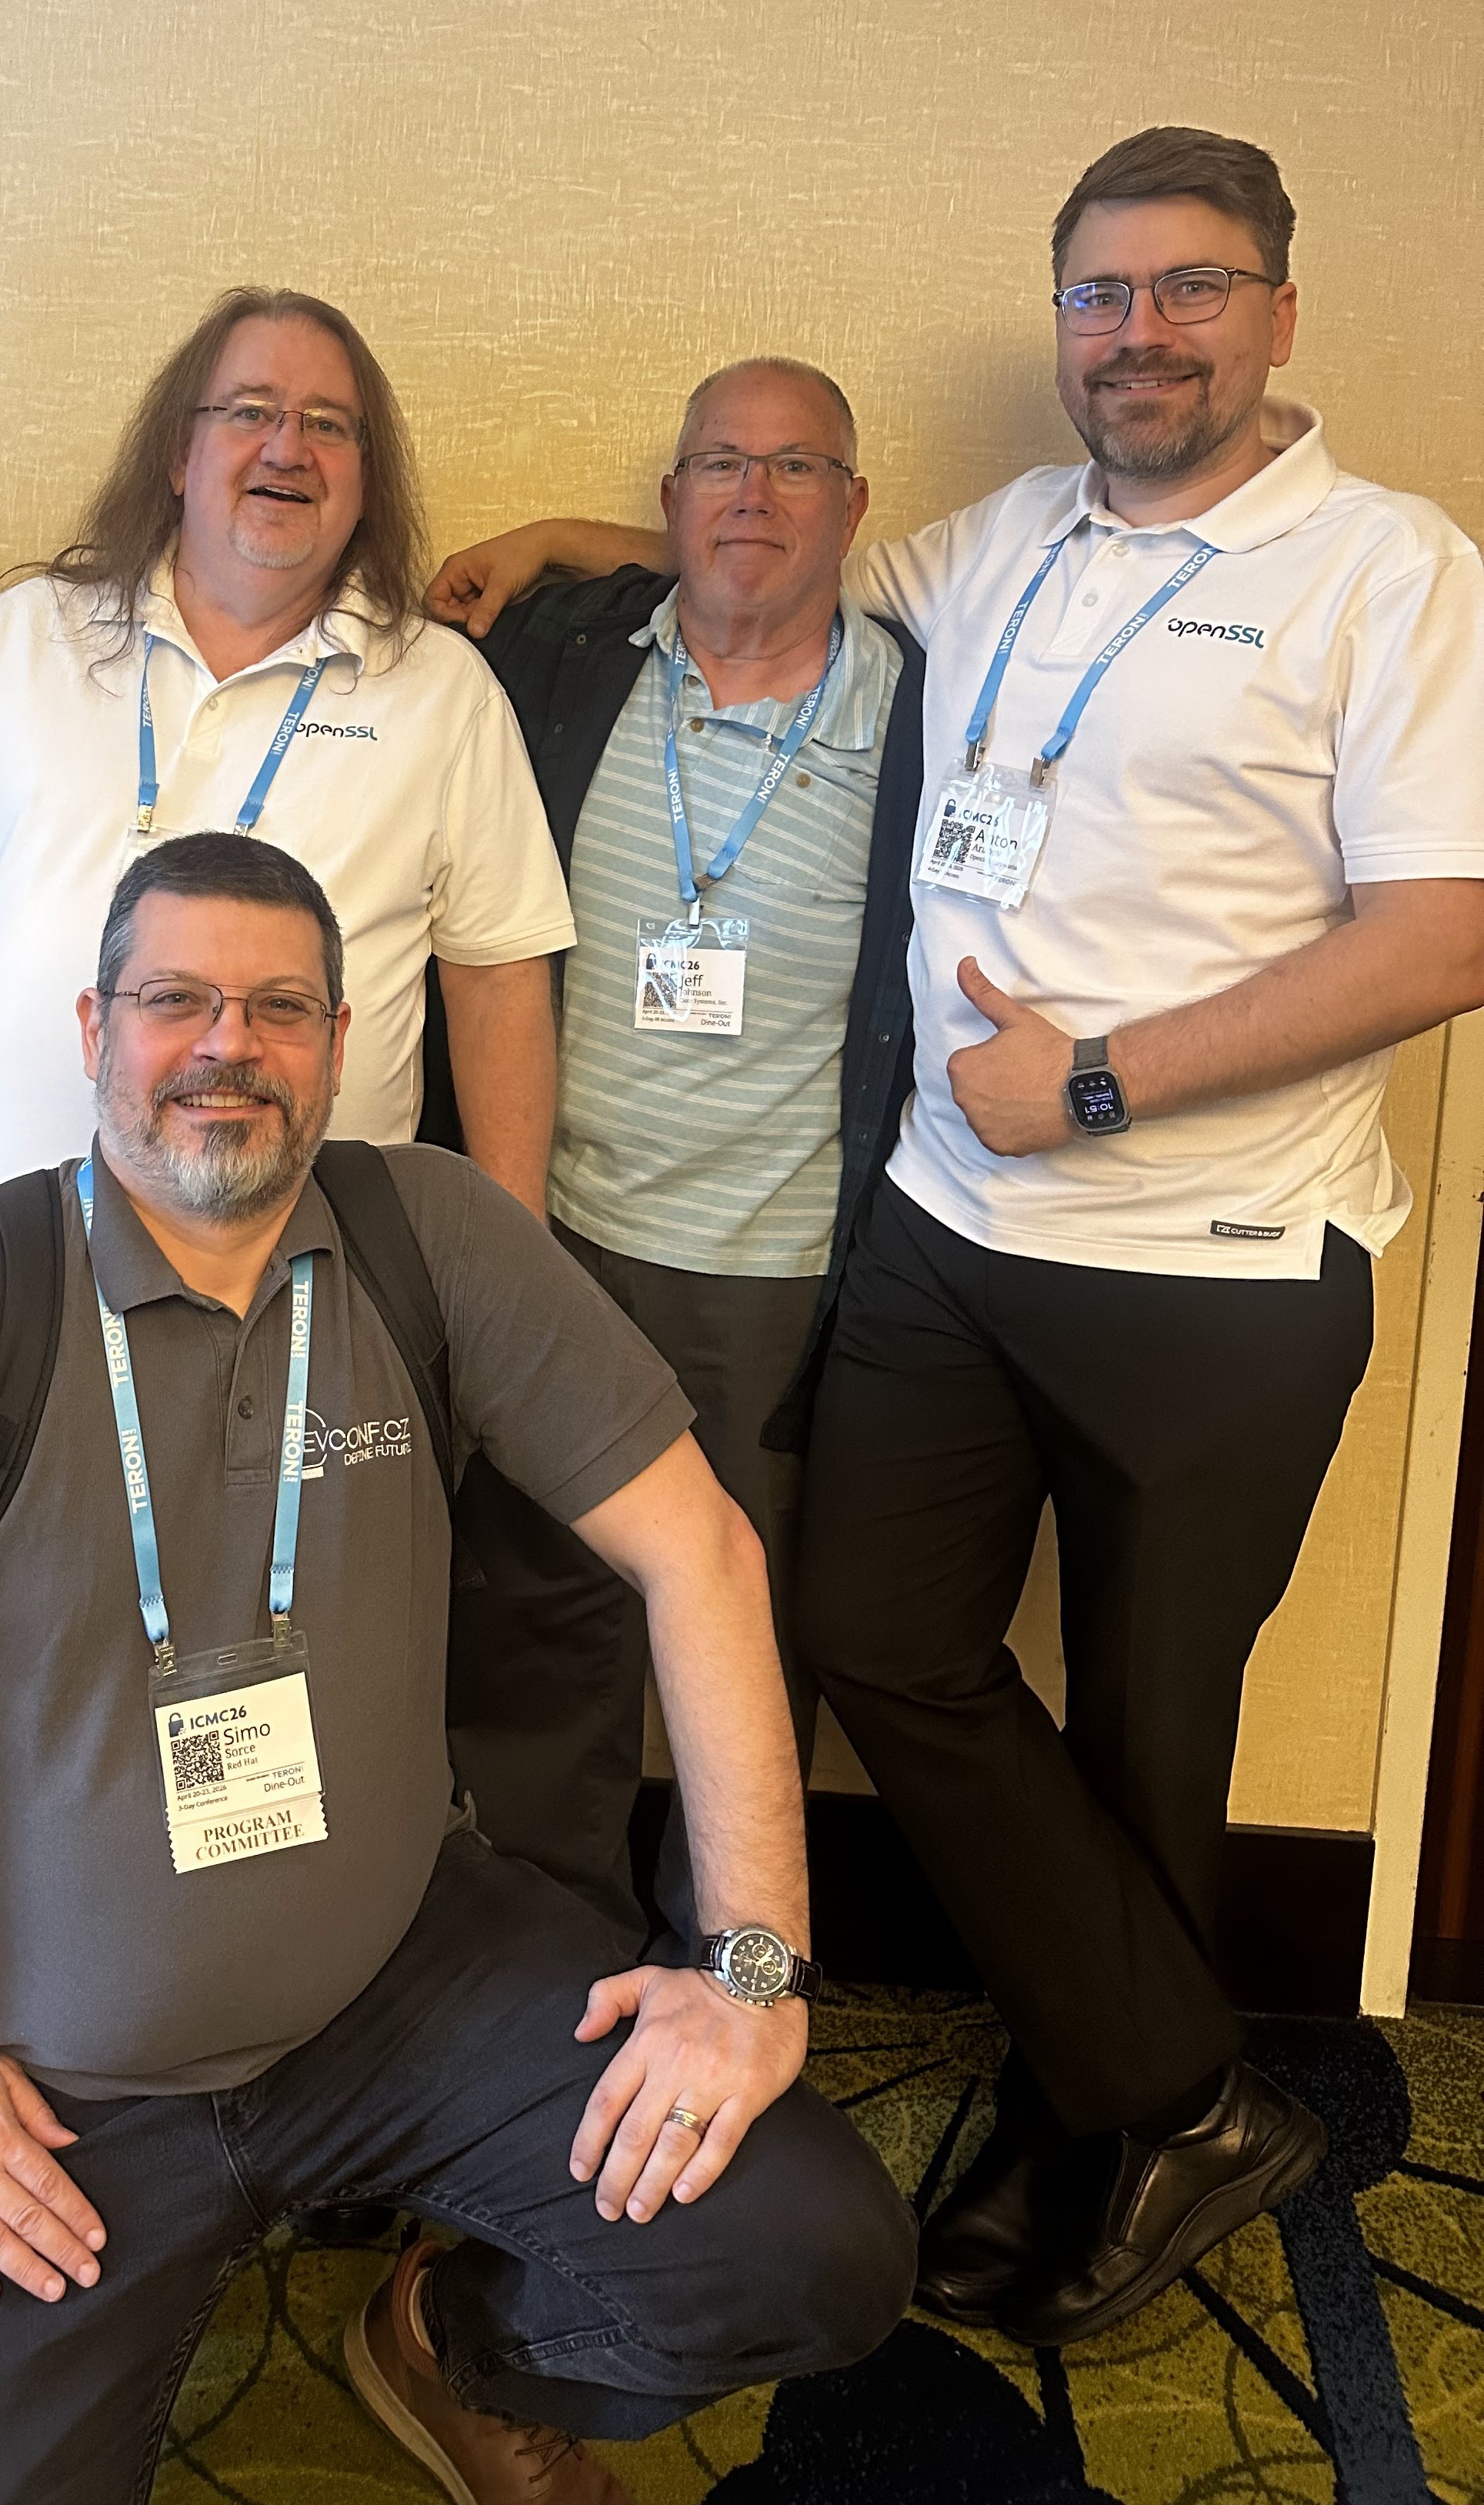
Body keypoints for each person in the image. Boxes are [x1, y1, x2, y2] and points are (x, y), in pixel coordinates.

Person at [425, 123, 1484, 2343]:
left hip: (1219, 1262)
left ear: (1280, 313)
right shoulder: (1000, 546)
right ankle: (1178, 2092)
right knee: (872, 1635)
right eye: (1101, 295)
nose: (1141, 334)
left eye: (1191, 290)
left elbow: (1447, 932)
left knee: (1151, 1739)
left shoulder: (1393, 570)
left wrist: (1107, 1076)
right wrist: (569, 536)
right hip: (942, 1232)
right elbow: (769, 557)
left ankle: (1105, 2132)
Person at [0, 835, 914, 2503]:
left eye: (279, 1007)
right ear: (93, 1028)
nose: (226, 1044)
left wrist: (754, 1966)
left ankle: (451, 2344)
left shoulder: (428, 1234)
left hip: (402, 1975)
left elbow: (702, 1548)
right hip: (75, 2081)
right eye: (175, 998)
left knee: (815, 2252)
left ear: (340, 1044)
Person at [449, 361, 924, 1934]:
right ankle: (526, 1991)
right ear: (665, 505)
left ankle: (734, 1982)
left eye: (799, 469)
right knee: (534, 1626)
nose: (754, 495)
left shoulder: (926, 704)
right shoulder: (568, 652)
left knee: (743, 1647)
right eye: (720, 462)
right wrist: (529, 540)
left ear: (855, 508)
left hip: (777, 1274)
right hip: (560, 1234)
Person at [0, 285, 573, 1251]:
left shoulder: (444, 692)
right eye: (251, 411)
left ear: (366, 481)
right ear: (179, 454)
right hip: (13, 1268)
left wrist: (511, 1257)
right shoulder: (28, 635)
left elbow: (500, 981)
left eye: (329, 426)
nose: (287, 447)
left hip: (317, 1290)